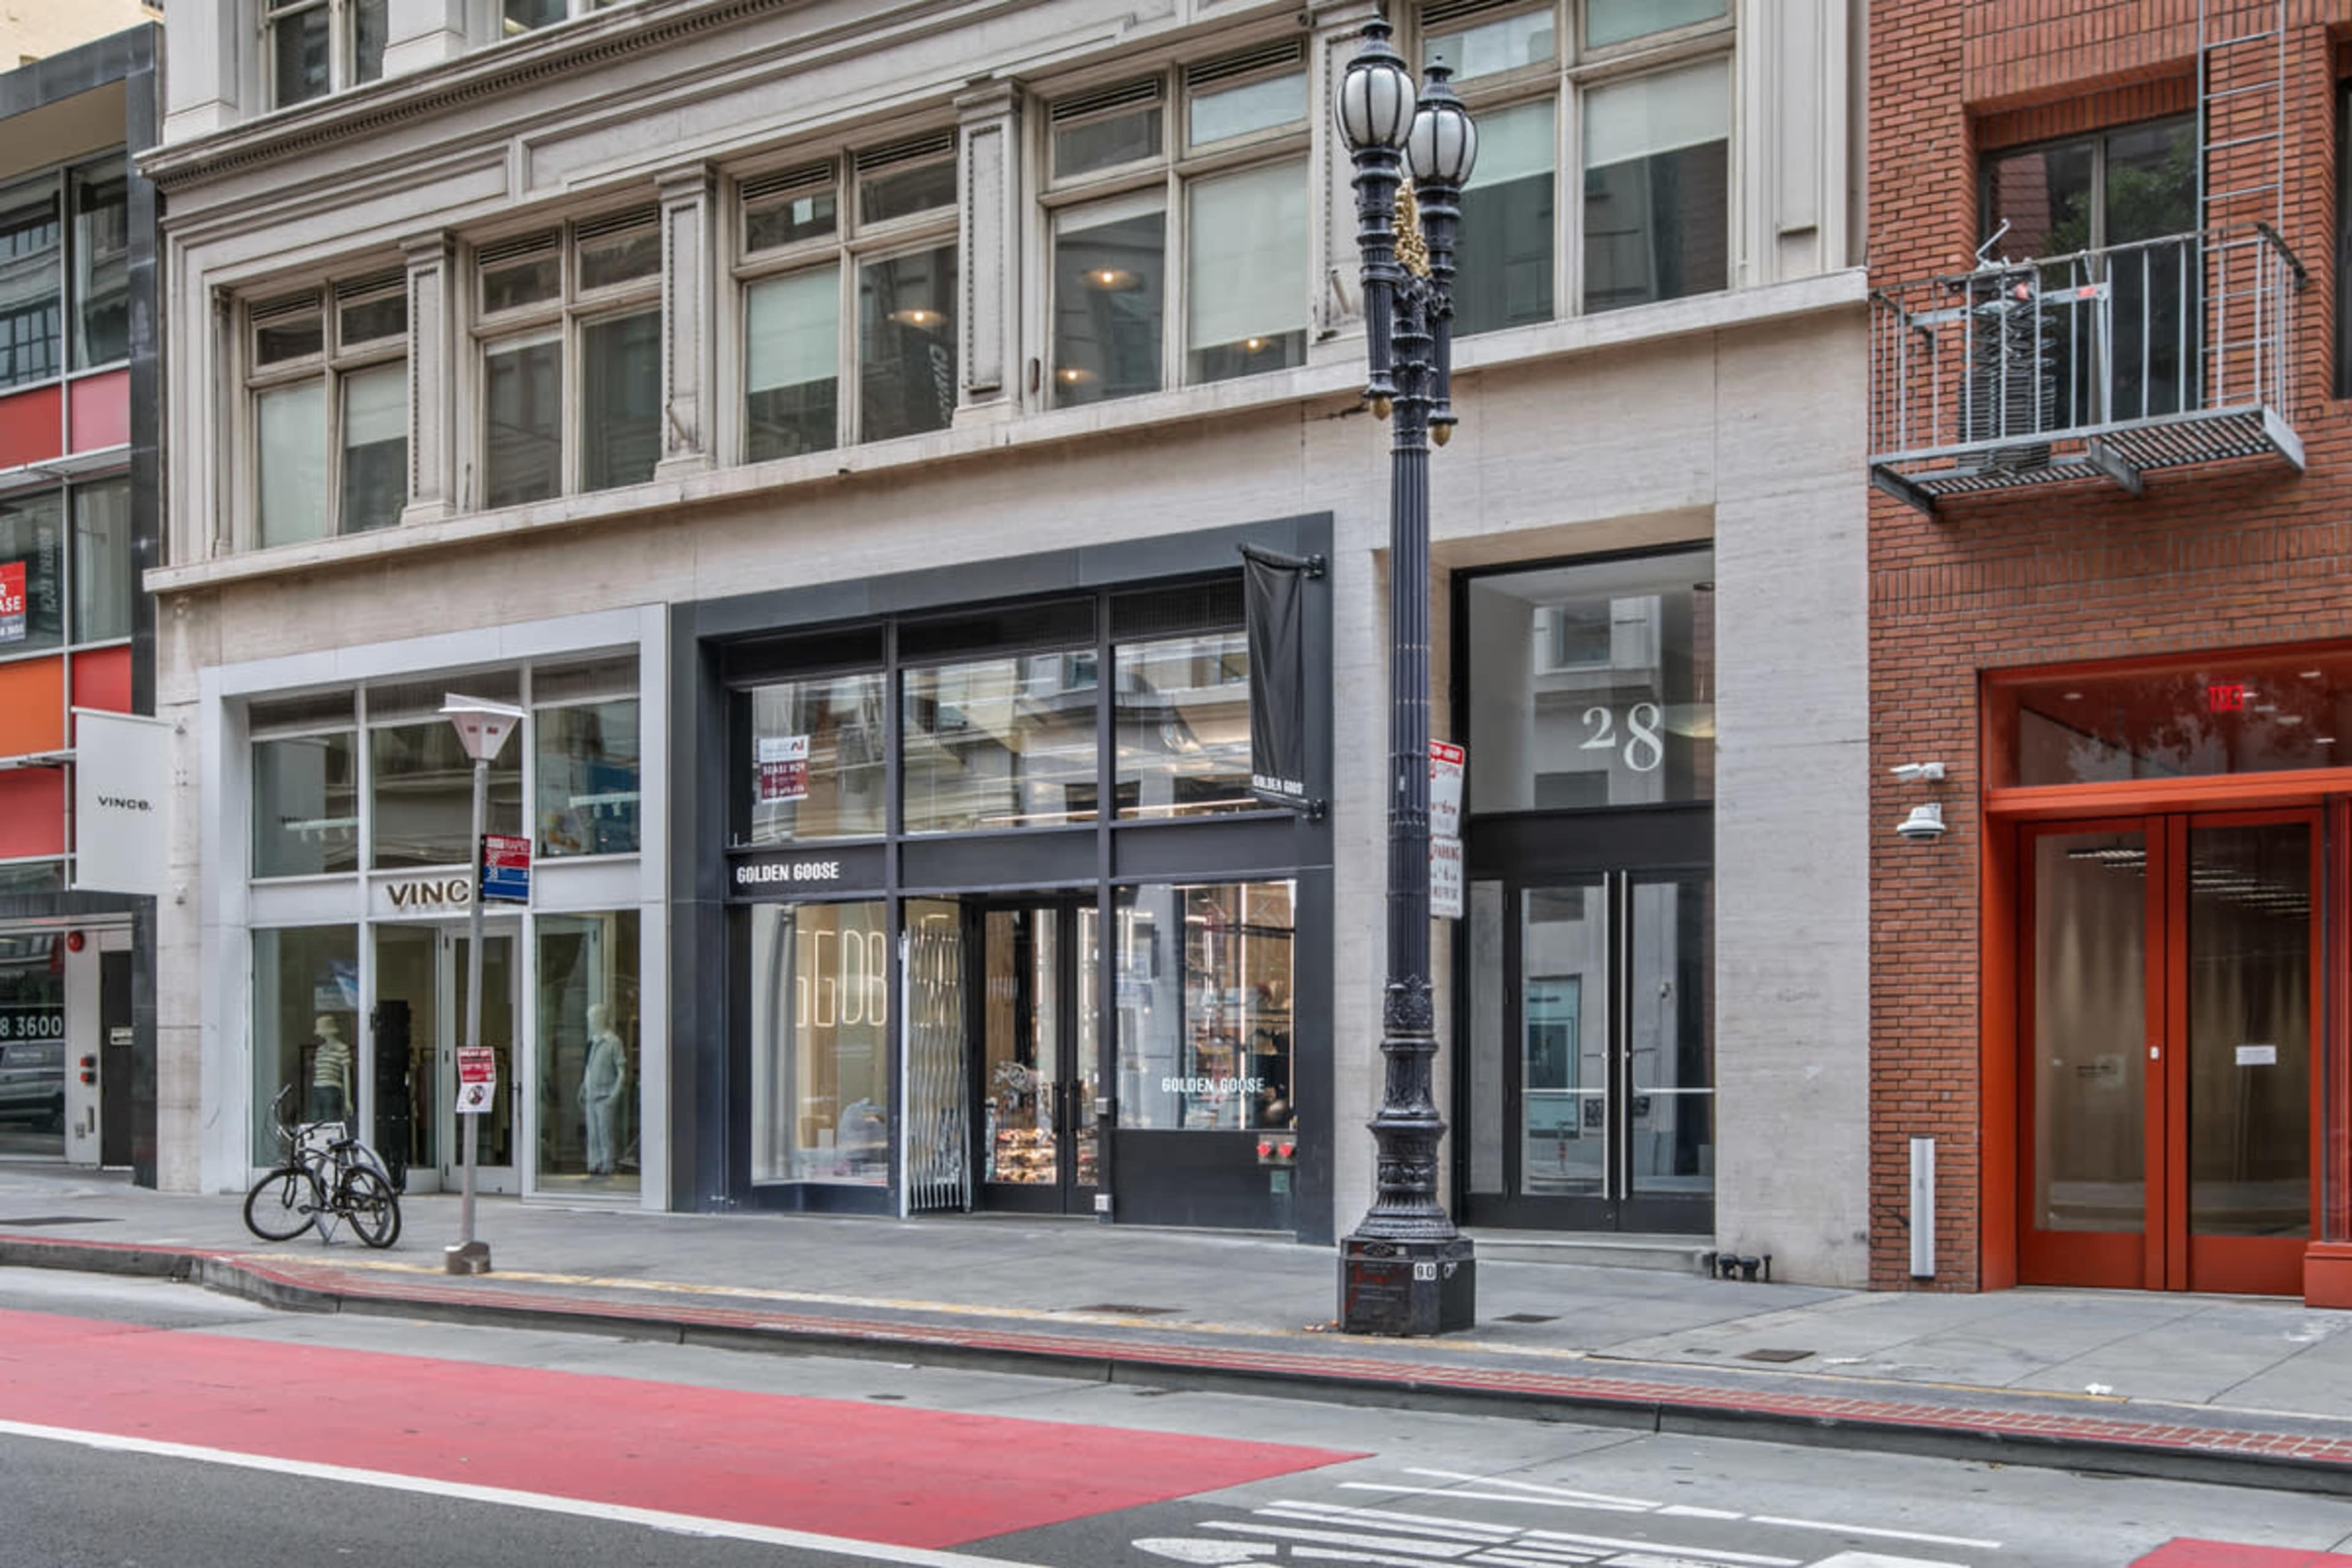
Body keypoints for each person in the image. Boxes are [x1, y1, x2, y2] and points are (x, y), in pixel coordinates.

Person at [578, 1003, 628, 1176]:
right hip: (591, 1096)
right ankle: (594, 1163)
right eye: (589, 1019)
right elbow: (589, 1068)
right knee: (592, 1133)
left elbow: (622, 1071)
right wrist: (583, 1087)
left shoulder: (613, 1042)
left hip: (605, 1095)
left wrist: (615, 1094)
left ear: (601, 1018)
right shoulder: (591, 1042)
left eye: (593, 1018)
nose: (591, 1022)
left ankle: (608, 1164)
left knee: (605, 1132)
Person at [308, 1015, 353, 1125]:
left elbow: (346, 1075)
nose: (320, 1035)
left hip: (332, 1089)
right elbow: (318, 1072)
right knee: (315, 1124)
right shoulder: (320, 1050)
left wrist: (348, 1100)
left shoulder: (342, 1049)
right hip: (317, 1089)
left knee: (331, 1122)